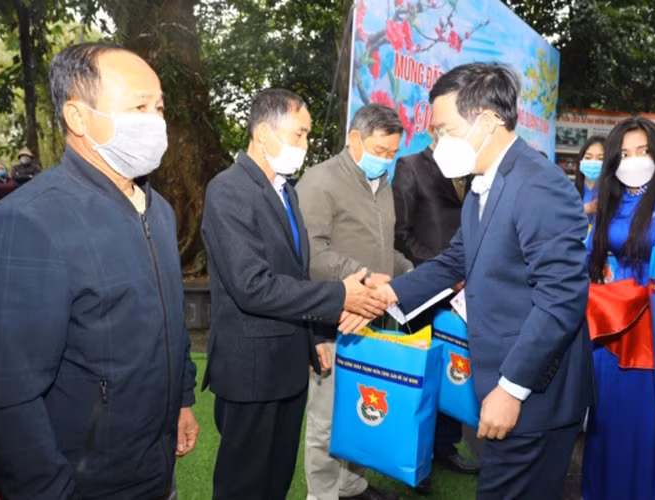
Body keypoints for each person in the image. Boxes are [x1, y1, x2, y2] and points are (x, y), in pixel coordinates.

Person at [0, 42, 198, 500]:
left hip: (154, 470)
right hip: (83, 483)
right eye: (139, 107)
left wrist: (183, 399)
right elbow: (5, 396)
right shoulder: (26, 223)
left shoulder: (160, 210)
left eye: (160, 107)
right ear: (79, 117)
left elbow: (170, 321)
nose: (156, 122)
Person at [371, 62, 595, 500]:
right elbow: (457, 259)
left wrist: (512, 389)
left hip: (534, 394)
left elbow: (561, 299)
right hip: (504, 385)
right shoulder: (482, 182)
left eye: (445, 129)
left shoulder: (538, 185)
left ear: (488, 121)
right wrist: (386, 295)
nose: (436, 144)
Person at [201, 88, 388, 500]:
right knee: (244, 486)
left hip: (287, 365)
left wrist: (315, 337)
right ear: (265, 134)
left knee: (276, 480)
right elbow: (253, 286)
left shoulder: (285, 191)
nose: (306, 145)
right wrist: (340, 296)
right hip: (250, 371)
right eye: (299, 135)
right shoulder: (229, 190)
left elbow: (295, 273)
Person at [296, 103, 412, 500]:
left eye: (392, 153)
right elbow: (308, 252)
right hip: (335, 315)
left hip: (375, 317)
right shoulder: (320, 181)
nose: (385, 160)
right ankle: (322, 493)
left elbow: (384, 248)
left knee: (362, 406)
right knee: (327, 417)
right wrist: (360, 273)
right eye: (379, 151)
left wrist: (408, 270)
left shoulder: (384, 186)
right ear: (354, 139)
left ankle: (349, 483)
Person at [582, 117, 655, 500]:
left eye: (642, 151)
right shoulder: (609, 196)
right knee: (608, 424)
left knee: (647, 427)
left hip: (651, 328)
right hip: (608, 327)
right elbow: (589, 253)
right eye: (625, 153)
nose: (634, 160)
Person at [392, 126, 479, 494]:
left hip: (466, 295)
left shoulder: (475, 169)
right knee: (422, 377)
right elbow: (402, 234)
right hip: (426, 289)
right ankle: (417, 458)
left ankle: (446, 447)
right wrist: (445, 271)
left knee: (454, 374)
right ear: (432, 131)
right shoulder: (410, 166)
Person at [575, 136, 605, 227]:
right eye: (588, 157)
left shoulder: (617, 192)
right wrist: (585, 208)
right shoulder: (569, 191)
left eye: (601, 159)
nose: (593, 162)